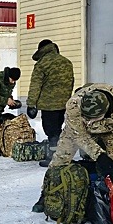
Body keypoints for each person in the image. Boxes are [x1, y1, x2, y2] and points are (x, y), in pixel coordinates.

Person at [48, 83, 113, 195]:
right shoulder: (73, 105)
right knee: (61, 157)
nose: (89, 122)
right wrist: (99, 155)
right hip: (79, 130)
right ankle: (48, 192)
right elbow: (78, 135)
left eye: (93, 119)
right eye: (86, 118)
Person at [25, 39, 74, 167]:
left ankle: (54, 158)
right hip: (64, 104)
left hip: (48, 105)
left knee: (51, 132)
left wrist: (31, 104)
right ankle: (62, 154)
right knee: (59, 129)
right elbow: (71, 83)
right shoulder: (66, 62)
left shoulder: (42, 64)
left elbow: (35, 86)